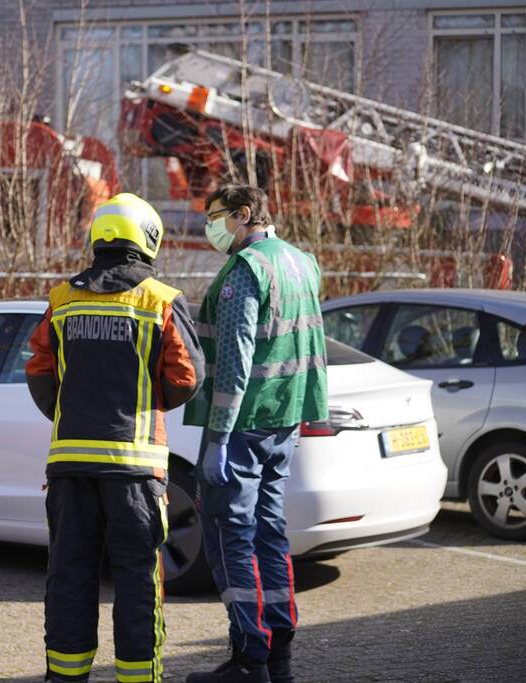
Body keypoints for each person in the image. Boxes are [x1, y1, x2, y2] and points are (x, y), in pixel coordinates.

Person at [25, 192, 205, 683]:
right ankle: (138, 677)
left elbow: (39, 370)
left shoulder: (62, 299)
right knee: (137, 580)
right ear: (148, 238)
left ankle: (65, 676)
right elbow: (187, 376)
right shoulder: (160, 300)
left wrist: (69, 412)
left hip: (69, 466)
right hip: (135, 468)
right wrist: (146, 402)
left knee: (69, 576)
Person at [183, 184, 328, 683]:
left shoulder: (246, 270)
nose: (211, 226)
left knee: (230, 537)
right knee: (270, 533)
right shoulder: (301, 261)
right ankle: (279, 649)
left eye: (217, 216)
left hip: (243, 425)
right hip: (283, 420)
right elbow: (310, 345)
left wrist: (219, 435)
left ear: (244, 215)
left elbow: (236, 358)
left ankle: (250, 657)